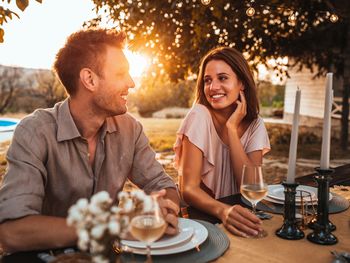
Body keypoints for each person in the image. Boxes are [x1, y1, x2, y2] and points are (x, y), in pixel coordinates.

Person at [0, 29, 180, 253]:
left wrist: (163, 209)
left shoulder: (129, 129)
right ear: (90, 79)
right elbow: (12, 233)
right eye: (121, 73)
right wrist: (114, 226)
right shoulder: (34, 132)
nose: (132, 83)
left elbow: (164, 186)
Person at [174, 47, 270, 237]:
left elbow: (250, 186)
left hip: (240, 214)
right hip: (203, 220)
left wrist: (232, 129)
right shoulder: (199, 115)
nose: (213, 87)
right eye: (207, 80)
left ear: (241, 83)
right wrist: (224, 210)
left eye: (223, 78)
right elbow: (188, 190)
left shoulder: (255, 124)